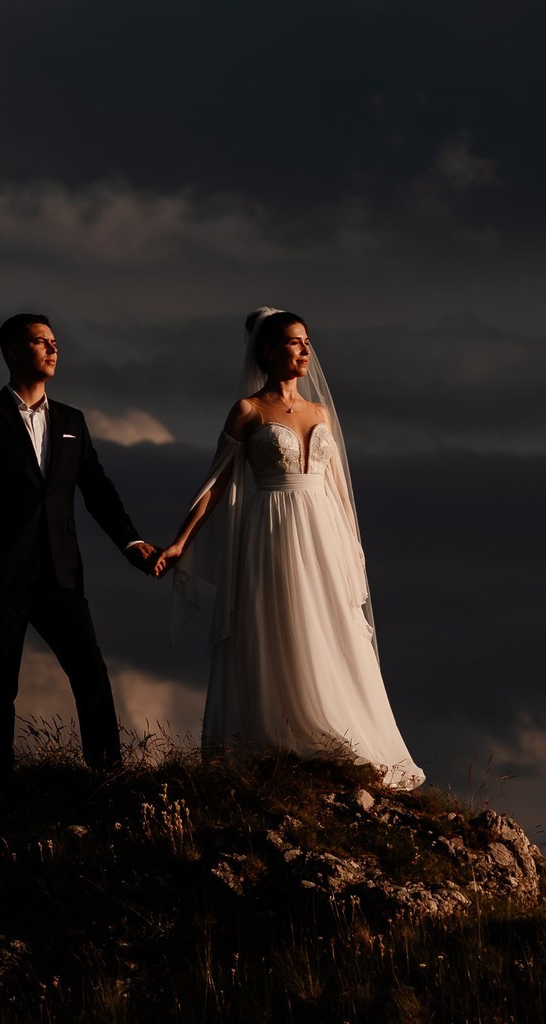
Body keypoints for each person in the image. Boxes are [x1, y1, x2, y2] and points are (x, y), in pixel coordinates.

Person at [155, 307, 423, 789]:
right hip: (272, 528)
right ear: (268, 350)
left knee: (329, 622)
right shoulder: (248, 411)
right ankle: (284, 734)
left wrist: (351, 547)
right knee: (282, 621)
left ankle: (344, 731)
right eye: (295, 342)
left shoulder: (321, 413)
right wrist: (179, 542)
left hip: (323, 530)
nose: (305, 350)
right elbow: (216, 483)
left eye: (307, 341)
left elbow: (337, 488)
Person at [0, 313, 158, 781]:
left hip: (61, 573)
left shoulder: (72, 420)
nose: (53, 348)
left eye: (55, 341)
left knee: (90, 672)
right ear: (13, 351)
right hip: (3, 574)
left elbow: (97, 489)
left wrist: (131, 540)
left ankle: (108, 776)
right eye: (41, 341)